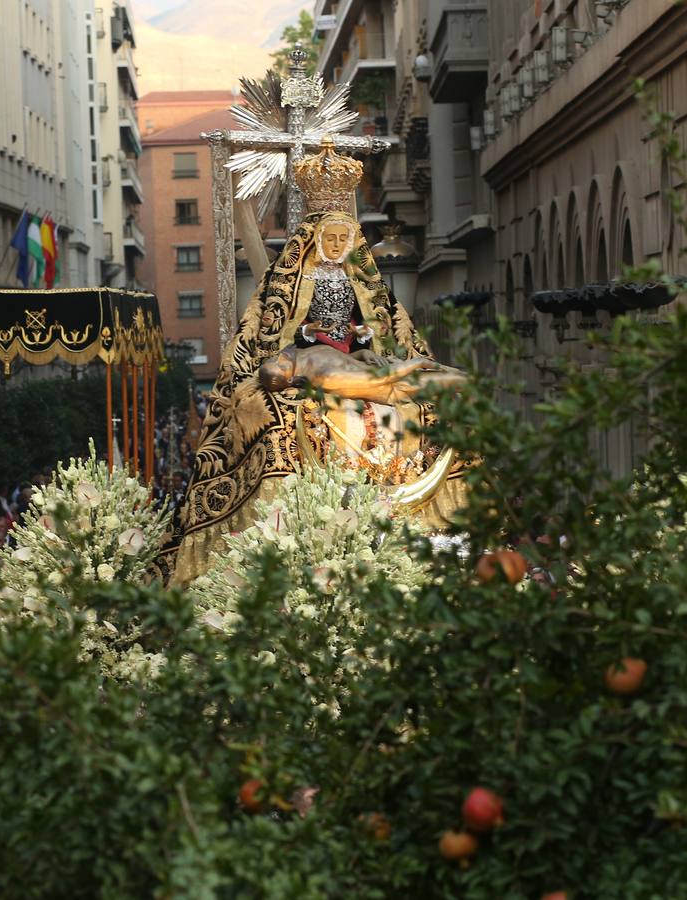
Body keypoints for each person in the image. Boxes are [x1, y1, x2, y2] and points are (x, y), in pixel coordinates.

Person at [162, 138, 466, 583]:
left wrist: (364, 333)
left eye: (346, 237)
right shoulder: (290, 280)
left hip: (357, 355)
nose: (340, 243)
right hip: (311, 356)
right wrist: (304, 341)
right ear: (315, 240)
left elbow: (379, 321)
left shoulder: (360, 277)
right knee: (286, 417)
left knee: (416, 396)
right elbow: (276, 327)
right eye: (333, 237)